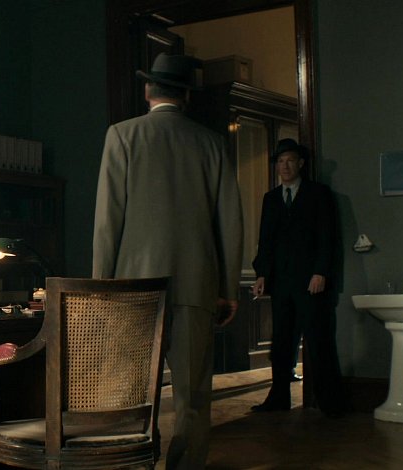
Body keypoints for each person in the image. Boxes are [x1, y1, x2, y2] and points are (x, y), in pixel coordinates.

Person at [92, 53, 243, 469]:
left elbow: (108, 221)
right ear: (186, 96)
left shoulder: (122, 136)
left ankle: (132, 462)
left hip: (135, 289)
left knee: (129, 391)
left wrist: (103, 286)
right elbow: (230, 222)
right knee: (193, 397)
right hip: (197, 286)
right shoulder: (211, 143)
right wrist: (228, 289)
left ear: (148, 90)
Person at [250, 138, 344, 417]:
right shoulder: (271, 198)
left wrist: (320, 271)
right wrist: (262, 274)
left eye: (290, 160)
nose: (285, 166)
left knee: (318, 338)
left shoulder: (318, 194)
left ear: (300, 163)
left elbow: (327, 236)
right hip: (281, 282)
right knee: (281, 340)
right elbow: (265, 240)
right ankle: (278, 397)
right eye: (280, 161)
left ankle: (330, 402)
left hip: (310, 281)